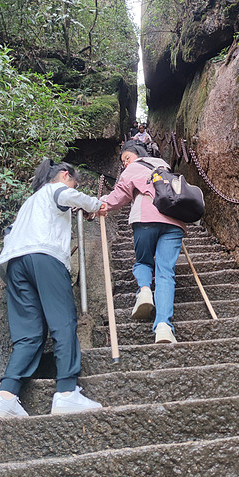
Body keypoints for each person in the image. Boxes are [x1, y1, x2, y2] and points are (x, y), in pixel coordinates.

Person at [0, 159, 104, 419]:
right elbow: (69, 195)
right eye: (74, 180)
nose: (73, 185)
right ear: (64, 175)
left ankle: (5, 397)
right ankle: (66, 392)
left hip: (14, 264)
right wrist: (98, 205)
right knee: (62, 322)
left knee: (29, 334)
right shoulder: (55, 190)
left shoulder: (30, 202)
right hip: (44, 257)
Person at [99, 141, 186, 344]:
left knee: (144, 262)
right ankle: (164, 327)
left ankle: (145, 291)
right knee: (166, 273)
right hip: (174, 220)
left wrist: (100, 204)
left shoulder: (134, 168)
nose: (125, 164)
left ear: (135, 155)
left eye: (126, 159)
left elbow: (119, 195)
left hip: (146, 218)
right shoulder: (163, 164)